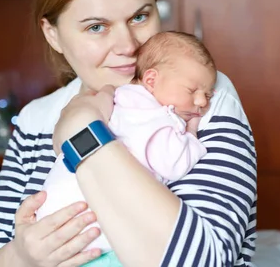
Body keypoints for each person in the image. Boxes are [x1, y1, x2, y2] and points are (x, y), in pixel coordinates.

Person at [0, 0, 257, 267]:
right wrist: (19, 256)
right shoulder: (35, 121)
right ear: (53, 34)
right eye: (96, 27)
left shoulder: (200, 98)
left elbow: (204, 262)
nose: (129, 46)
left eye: (140, 16)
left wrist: (84, 131)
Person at [36, 31, 216, 265]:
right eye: (192, 91)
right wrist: (191, 134)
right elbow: (172, 163)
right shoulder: (154, 115)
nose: (202, 102)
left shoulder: (120, 98)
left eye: (208, 94)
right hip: (87, 229)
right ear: (151, 80)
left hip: (56, 218)